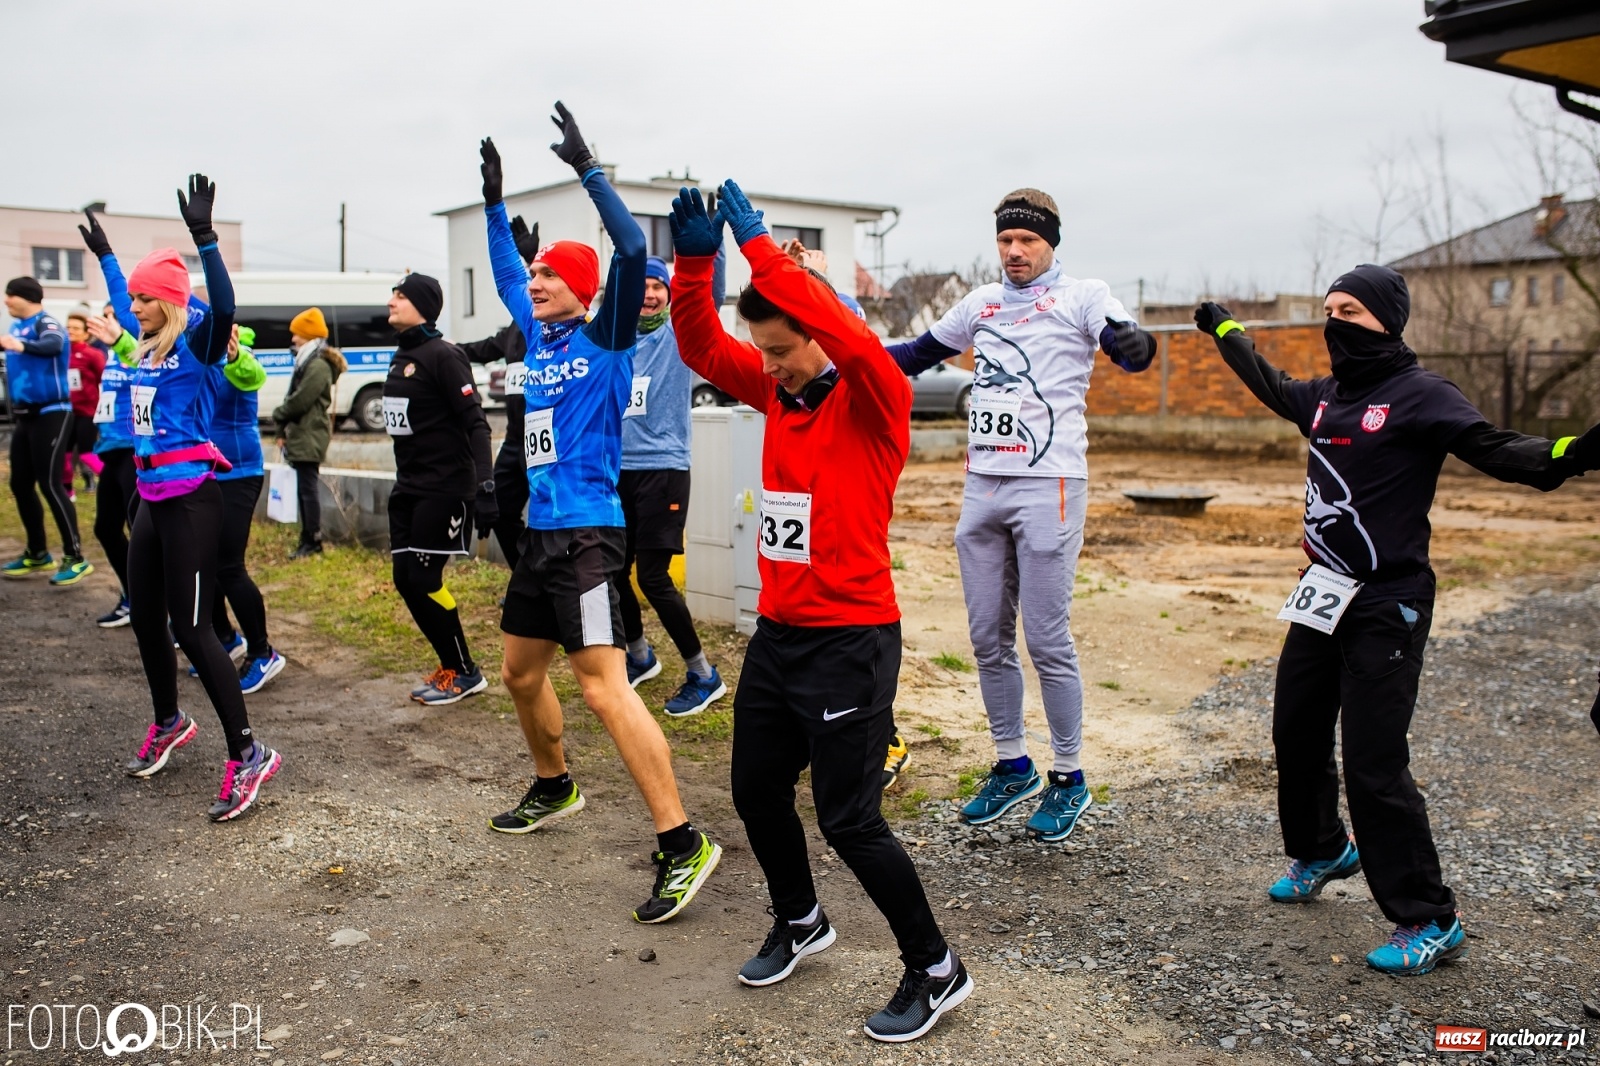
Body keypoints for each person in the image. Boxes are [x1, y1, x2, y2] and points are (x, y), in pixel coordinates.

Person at [1195, 263, 1600, 974]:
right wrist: (1226, 329)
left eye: (1350, 310)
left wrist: (1574, 452)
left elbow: (1499, 450)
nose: (1334, 323)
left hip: (1391, 601)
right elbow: (1267, 381)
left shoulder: (1420, 394)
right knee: (1294, 730)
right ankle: (1322, 849)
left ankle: (1429, 917)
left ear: (1387, 319)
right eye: (1329, 310)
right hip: (1323, 592)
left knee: (1375, 763)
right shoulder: (1324, 398)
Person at [671, 182, 970, 1043]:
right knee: (756, 789)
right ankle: (801, 919)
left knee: (849, 817)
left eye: (779, 350)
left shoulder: (875, 396)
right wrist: (697, 264)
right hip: (781, 634)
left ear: (817, 334)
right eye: (761, 353)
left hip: (852, 639)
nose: (766, 365)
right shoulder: (778, 396)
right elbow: (699, 346)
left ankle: (937, 967)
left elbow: (844, 331)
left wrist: (761, 246)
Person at [478, 104, 721, 927]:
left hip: (589, 534)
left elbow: (629, 251)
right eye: (535, 273)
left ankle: (683, 842)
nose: (534, 279)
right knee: (517, 673)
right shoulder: (539, 343)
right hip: (540, 537)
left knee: (604, 689)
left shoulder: (606, 338)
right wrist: (491, 205)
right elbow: (508, 275)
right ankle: (555, 786)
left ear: (581, 292)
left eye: (549, 273)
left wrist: (589, 168)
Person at [883, 188, 1157, 842]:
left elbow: (1130, 347)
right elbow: (914, 354)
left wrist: (1129, 343)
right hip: (983, 486)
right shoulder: (980, 303)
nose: (1014, 251)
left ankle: (1069, 776)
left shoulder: (1084, 296)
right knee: (985, 636)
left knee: (1047, 638)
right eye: (1006, 240)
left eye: (1027, 240)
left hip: (1050, 483)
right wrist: (836, 358)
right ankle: (1013, 764)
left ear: (1050, 242)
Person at [118, 173, 281, 821]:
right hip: (150, 501)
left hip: (193, 502)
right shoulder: (146, 353)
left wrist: (204, 239)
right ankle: (168, 722)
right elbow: (116, 300)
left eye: (144, 299)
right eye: (132, 299)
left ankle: (248, 754)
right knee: (143, 615)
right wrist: (109, 258)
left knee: (192, 626)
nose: (135, 308)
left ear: (170, 302)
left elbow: (222, 302)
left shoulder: (197, 347)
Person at [781, 239, 911, 790]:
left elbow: (850, 343)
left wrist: (810, 283)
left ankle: (883, 735)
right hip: (798, 587)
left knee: (856, 664)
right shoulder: (793, 398)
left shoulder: (869, 389)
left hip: (857, 602)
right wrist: (796, 277)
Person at [616, 247, 728, 716]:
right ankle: (639, 656)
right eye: (641, 284)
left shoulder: (677, 335)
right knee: (612, 570)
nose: (649, 293)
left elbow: (711, 299)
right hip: (618, 469)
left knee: (655, 577)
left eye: (657, 285)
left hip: (664, 467)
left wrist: (712, 248)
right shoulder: (616, 339)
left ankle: (703, 674)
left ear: (668, 293)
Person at [382, 272, 496, 705]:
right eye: (393, 292)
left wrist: (486, 486)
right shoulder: (402, 356)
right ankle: (449, 666)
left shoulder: (444, 356)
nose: (392, 299)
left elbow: (476, 423)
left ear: (424, 305)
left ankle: (465, 670)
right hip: (408, 487)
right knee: (405, 579)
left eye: (401, 294)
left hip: (445, 488)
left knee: (425, 579)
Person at [202, 324, 285, 693]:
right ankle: (225, 638)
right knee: (207, 562)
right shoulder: (198, 357)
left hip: (238, 471)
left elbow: (253, 375)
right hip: (204, 472)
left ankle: (262, 651)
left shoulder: (240, 354)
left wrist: (234, 355)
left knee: (229, 565)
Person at [457, 216, 540, 571]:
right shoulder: (512, 330)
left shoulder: (548, 327)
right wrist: (440, 350)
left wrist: (531, 262)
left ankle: (546, 587)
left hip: (548, 438)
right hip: (514, 440)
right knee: (502, 512)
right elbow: (481, 348)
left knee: (546, 521)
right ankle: (526, 580)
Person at [2, 276, 93, 585]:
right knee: (20, 483)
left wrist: (20, 344)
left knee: (51, 484)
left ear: (25, 297)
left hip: (52, 413)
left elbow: (53, 344)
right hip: (26, 419)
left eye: (9, 296)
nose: (6, 301)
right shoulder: (16, 327)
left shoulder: (46, 323)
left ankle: (75, 556)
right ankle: (38, 552)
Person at [78, 210, 143, 625]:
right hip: (110, 449)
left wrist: (106, 256)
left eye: (114, 314)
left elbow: (122, 296)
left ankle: (157, 604)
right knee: (105, 528)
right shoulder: (107, 355)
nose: (108, 319)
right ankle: (132, 594)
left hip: (135, 450)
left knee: (142, 535)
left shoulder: (140, 348)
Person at [271, 307, 345, 559]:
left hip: (310, 434)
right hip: (303, 433)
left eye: (297, 335)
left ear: (308, 335)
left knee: (308, 488)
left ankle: (312, 539)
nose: (293, 339)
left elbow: (300, 400)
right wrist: (282, 428)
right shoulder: (307, 361)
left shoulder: (317, 366)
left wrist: (279, 415)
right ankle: (308, 538)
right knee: (305, 488)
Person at [63, 311, 106, 495]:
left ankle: (114, 479)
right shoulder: (60, 354)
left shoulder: (93, 355)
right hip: (65, 411)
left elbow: (104, 380)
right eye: (68, 327)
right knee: (63, 456)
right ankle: (67, 493)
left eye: (76, 328)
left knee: (86, 453)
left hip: (88, 412)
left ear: (86, 333)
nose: (70, 331)